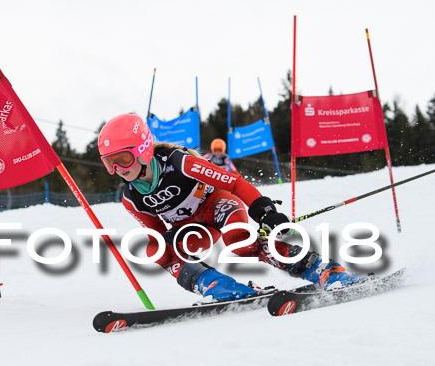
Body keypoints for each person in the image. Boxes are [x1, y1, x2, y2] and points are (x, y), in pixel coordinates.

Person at [98, 113, 364, 301]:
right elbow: (159, 234)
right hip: (193, 227)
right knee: (155, 249)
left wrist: (264, 210)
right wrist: (168, 243)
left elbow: (234, 183)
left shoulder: (179, 162)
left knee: (239, 240)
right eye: (110, 163)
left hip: (219, 205)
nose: (117, 170)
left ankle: (321, 269)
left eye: (122, 159)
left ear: (144, 149)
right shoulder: (132, 199)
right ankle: (218, 285)